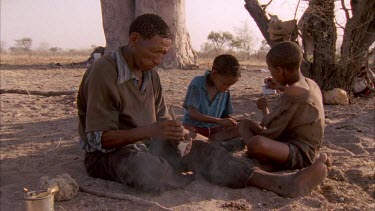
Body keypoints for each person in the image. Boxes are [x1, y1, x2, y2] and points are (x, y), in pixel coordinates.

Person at [77, 14, 328, 197]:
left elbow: (162, 122)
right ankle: (179, 177)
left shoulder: (150, 73)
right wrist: (152, 131)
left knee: (205, 151)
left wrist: (179, 134)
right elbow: (98, 140)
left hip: (146, 143)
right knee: (148, 169)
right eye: (155, 52)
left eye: (164, 53)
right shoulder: (104, 72)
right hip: (107, 155)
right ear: (134, 39)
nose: (160, 60)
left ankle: (280, 183)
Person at [238, 41, 325, 172]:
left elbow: (270, 130)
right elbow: (300, 95)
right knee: (245, 125)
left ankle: (268, 165)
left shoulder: (292, 94)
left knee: (255, 143)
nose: (271, 74)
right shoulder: (310, 83)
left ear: (279, 70)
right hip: (311, 147)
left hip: (301, 153)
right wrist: (281, 87)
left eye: (271, 70)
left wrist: (264, 108)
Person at [182, 54, 242, 147]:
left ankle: (210, 143)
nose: (227, 88)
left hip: (214, 131)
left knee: (243, 128)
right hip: (195, 128)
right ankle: (211, 144)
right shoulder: (197, 83)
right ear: (214, 74)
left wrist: (232, 121)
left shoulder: (225, 91)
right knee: (185, 133)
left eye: (230, 85)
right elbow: (192, 113)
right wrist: (219, 121)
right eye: (225, 84)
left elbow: (224, 116)